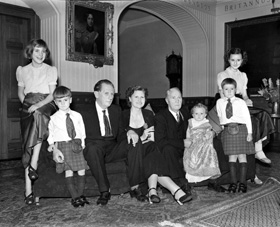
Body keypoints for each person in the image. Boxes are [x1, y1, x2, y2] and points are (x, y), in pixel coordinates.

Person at [52, 79, 145, 206]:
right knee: (92, 148)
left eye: (112, 94)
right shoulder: (82, 112)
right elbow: (60, 129)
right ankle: (104, 190)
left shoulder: (116, 110)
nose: (110, 97)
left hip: (112, 149)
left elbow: (121, 134)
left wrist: (129, 132)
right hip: (94, 149)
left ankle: (135, 187)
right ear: (96, 94)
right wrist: (55, 148)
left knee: (135, 142)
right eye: (106, 93)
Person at [122, 86, 192, 205]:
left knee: (153, 149)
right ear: (129, 98)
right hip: (132, 150)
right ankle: (175, 190)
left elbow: (154, 137)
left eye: (142, 97)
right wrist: (141, 137)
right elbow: (120, 136)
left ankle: (153, 191)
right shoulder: (123, 114)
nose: (139, 100)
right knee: (154, 149)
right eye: (136, 97)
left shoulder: (148, 114)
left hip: (149, 148)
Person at [216, 47, 275, 184]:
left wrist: (247, 100)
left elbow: (244, 94)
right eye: (232, 60)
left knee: (263, 114)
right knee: (252, 122)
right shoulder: (222, 75)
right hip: (227, 104)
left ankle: (259, 149)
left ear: (242, 60)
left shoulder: (243, 76)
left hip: (240, 103)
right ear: (228, 60)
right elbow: (222, 95)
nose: (235, 63)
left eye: (238, 60)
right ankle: (250, 173)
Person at [16, 39, 58, 205]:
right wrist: (27, 106)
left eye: (43, 51)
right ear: (30, 53)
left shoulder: (51, 70)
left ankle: (33, 164)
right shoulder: (22, 70)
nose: (41, 55)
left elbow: (52, 95)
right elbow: (20, 93)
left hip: (46, 104)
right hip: (28, 106)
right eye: (37, 51)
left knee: (39, 115)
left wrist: (37, 105)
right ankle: (28, 191)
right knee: (28, 143)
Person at [47, 86, 89, 208]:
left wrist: (83, 144)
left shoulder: (77, 115)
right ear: (55, 102)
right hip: (63, 146)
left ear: (70, 100)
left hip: (76, 144)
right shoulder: (53, 118)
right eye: (59, 101)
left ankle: (80, 195)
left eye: (65, 100)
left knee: (81, 169)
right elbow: (51, 134)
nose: (63, 103)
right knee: (69, 171)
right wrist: (52, 146)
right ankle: (75, 197)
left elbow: (82, 131)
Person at [216, 78, 255, 193]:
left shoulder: (240, 102)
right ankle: (233, 183)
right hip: (228, 130)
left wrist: (250, 133)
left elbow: (247, 117)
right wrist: (223, 129)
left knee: (242, 156)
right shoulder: (219, 102)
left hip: (241, 129)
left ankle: (242, 183)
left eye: (231, 89)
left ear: (236, 90)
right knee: (231, 157)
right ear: (222, 90)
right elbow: (220, 116)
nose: (229, 91)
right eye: (226, 89)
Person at [154, 87, 193, 195]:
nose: (177, 101)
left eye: (179, 97)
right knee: (167, 149)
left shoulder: (185, 113)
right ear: (167, 101)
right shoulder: (160, 116)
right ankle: (180, 182)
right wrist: (182, 143)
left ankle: (215, 180)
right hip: (171, 150)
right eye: (173, 98)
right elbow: (160, 141)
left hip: (187, 148)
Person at [183, 103, 221, 183]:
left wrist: (208, 136)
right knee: (191, 155)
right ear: (193, 114)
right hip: (193, 142)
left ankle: (205, 173)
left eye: (201, 113)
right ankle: (193, 176)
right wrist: (188, 140)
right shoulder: (191, 122)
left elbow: (209, 134)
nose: (199, 116)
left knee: (207, 150)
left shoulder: (206, 123)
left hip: (204, 143)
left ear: (205, 115)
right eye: (196, 113)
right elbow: (188, 132)